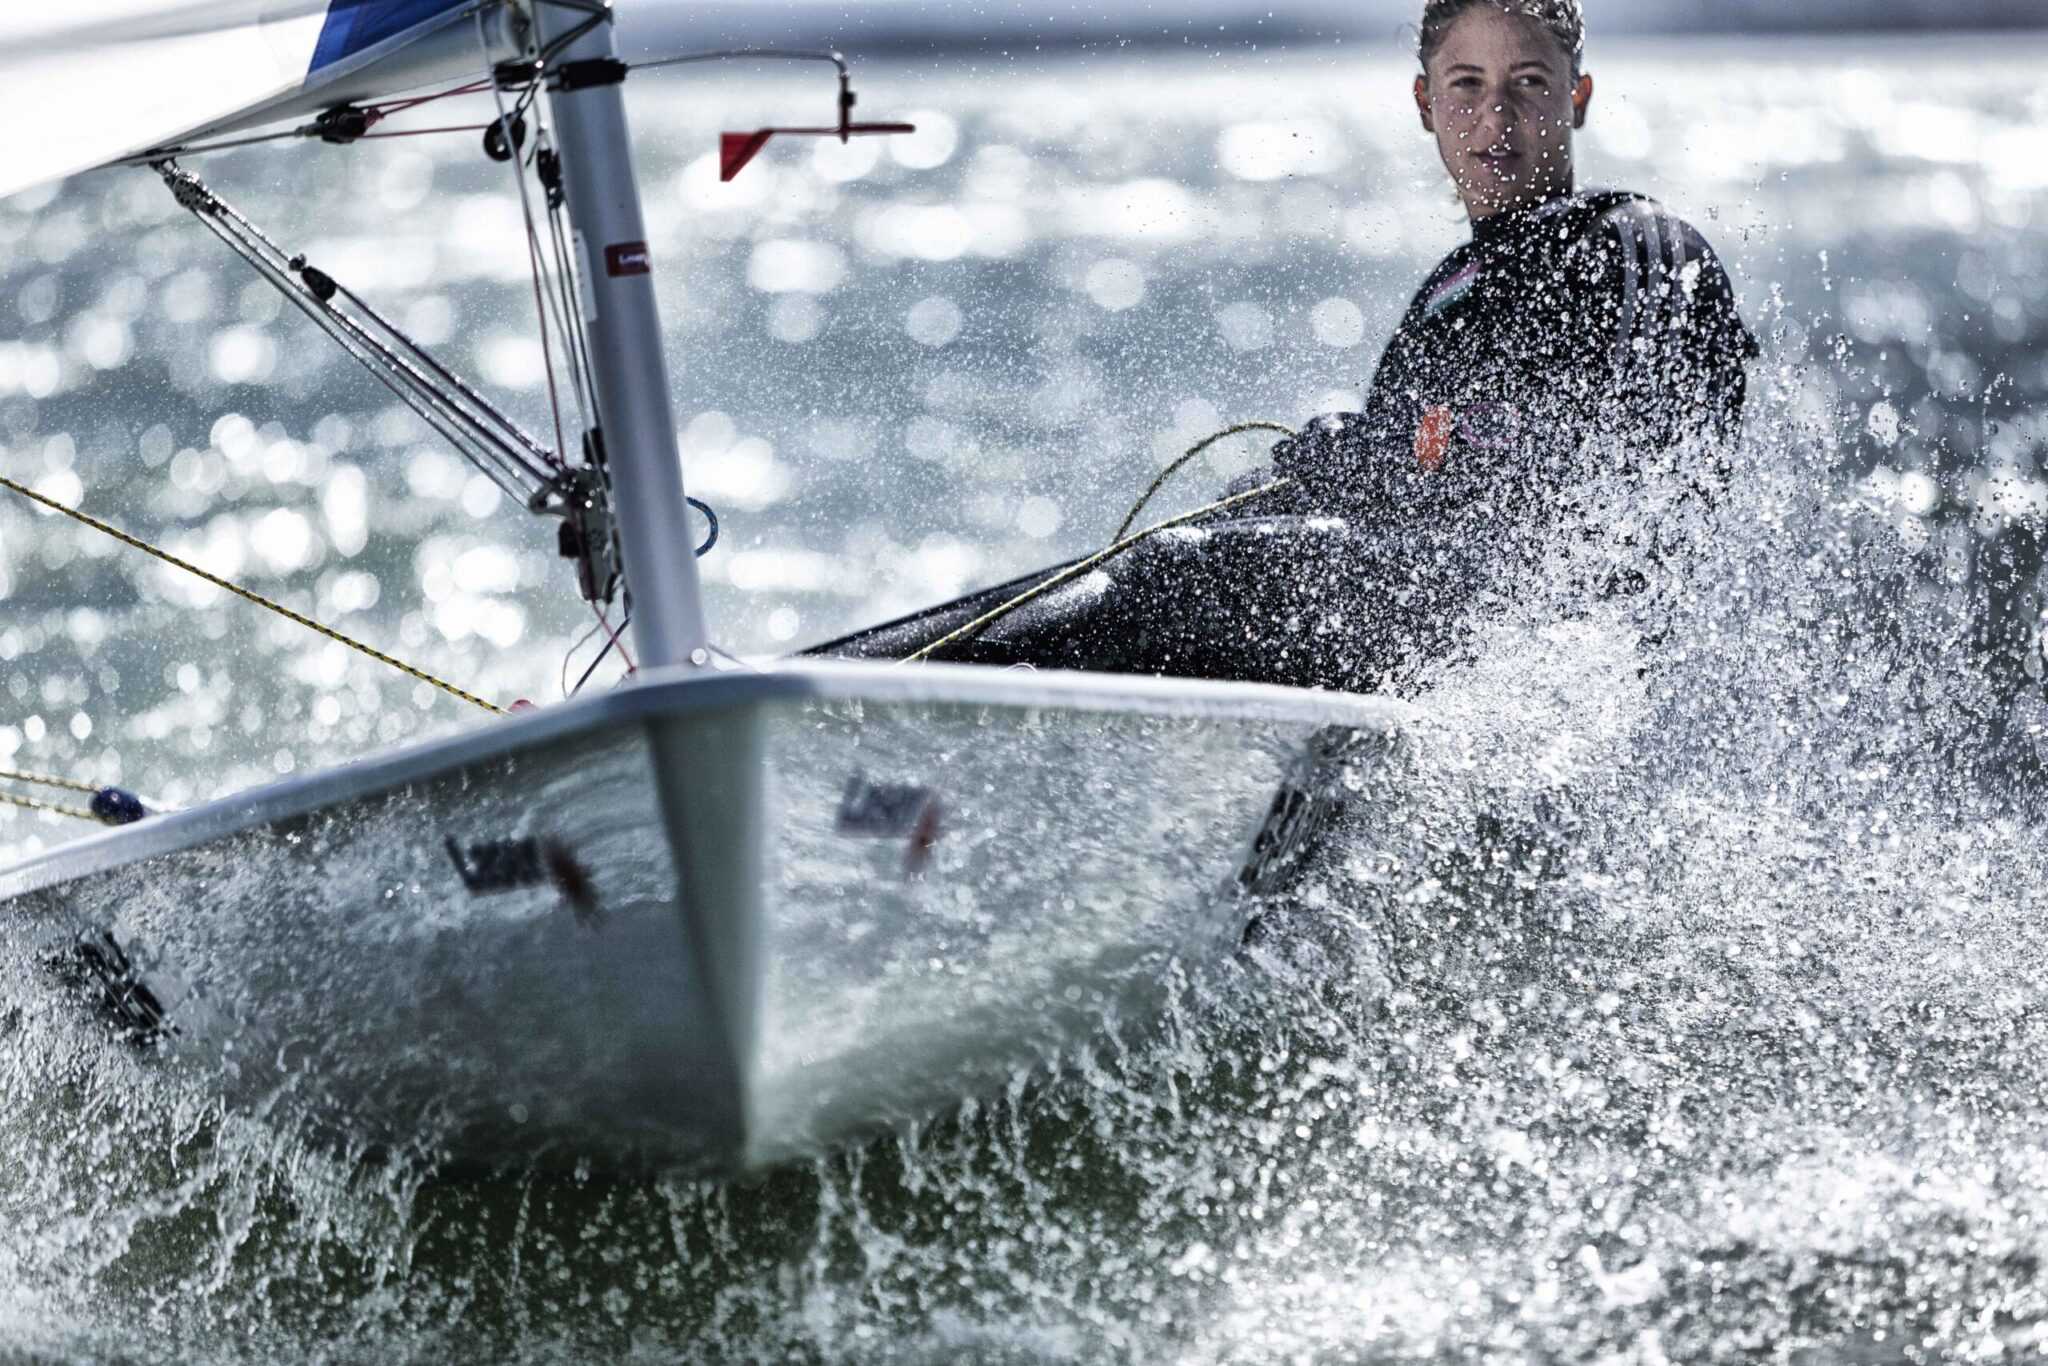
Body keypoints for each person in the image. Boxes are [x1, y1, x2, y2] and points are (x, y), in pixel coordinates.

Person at [1258, 0, 1758, 557]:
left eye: (1529, 82)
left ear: (1577, 98)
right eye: (1467, 84)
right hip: (1425, 588)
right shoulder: (1445, 297)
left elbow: (1641, 486)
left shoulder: (1636, 245)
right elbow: (1384, 511)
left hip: (1560, 595)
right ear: (1426, 104)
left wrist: (1399, 456)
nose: (1496, 116)